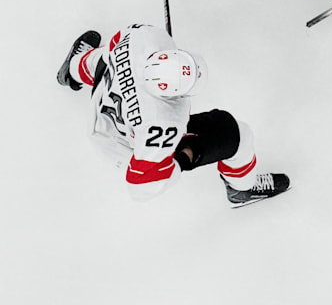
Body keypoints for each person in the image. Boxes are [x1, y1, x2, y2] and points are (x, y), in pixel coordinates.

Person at [55, 24, 290, 206]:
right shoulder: (162, 123)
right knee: (239, 135)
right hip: (120, 143)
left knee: (105, 58)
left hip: (105, 99)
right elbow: (142, 184)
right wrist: (185, 156)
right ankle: (242, 187)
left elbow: (115, 47)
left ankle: (72, 69)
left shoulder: (141, 39)